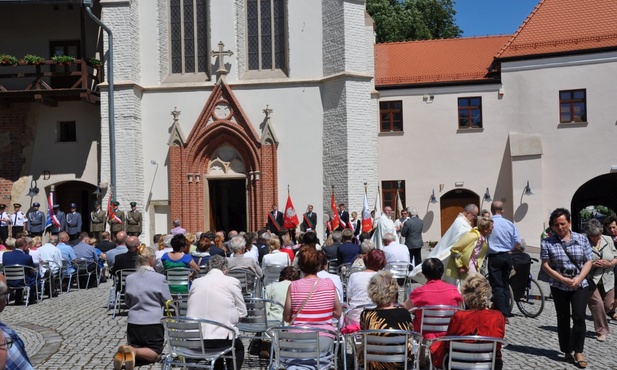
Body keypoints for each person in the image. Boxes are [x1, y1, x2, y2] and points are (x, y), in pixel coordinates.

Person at [541, 208, 592, 368]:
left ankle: (578, 350)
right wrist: (562, 279)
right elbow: (545, 265)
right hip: (559, 285)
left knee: (579, 317)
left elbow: (588, 261)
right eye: (556, 225)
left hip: (580, 284)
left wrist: (579, 278)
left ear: (569, 222)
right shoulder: (547, 242)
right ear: (553, 226)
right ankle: (566, 350)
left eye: (563, 223)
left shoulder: (582, 239)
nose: (560, 227)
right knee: (563, 318)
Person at [430, 274, 506, 370]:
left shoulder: (459, 316)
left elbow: (448, 344)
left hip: (459, 363)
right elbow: (498, 344)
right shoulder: (497, 316)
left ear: (466, 296)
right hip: (489, 364)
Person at [283, 246, 342, 369]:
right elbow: (338, 312)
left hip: (298, 337)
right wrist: (322, 313)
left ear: (301, 266)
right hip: (324, 336)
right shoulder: (329, 283)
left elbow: (287, 317)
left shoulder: (293, 286)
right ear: (319, 265)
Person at [115, 247, 172, 370]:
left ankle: (132, 351)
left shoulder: (130, 278)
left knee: (139, 350)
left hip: (133, 321)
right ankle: (132, 350)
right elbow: (167, 300)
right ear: (151, 260)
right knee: (156, 354)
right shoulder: (159, 278)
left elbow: (127, 301)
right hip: (152, 321)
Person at [186, 255, 246, 370]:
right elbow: (242, 312)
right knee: (238, 348)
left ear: (208, 269)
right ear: (225, 269)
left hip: (195, 338)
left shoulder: (196, 282)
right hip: (221, 339)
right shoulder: (232, 281)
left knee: (222, 338)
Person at [410, 204, 477, 285]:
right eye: (474, 215)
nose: (474, 218)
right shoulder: (461, 223)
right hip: (455, 258)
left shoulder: (461, 221)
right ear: (468, 213)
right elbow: (460, 242)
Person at [359, 270, 413, 369]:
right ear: (394, 293)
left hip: (373, 365)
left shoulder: (366, 315)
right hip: (400, 365)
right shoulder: (404, 314)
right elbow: (410, 335)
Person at [404, 258, 463, 339]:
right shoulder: (453, 290)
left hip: (424, 334)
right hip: (448, 333)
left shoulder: (419, 292)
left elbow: (405, 308)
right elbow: (459, 309)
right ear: (442, 272)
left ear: (424, 274)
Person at [487, 201, 522, 318]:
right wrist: (511, 248)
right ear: (502, 210)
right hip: (507, 255)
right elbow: (518, 241)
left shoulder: (489, 224)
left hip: (494, 256)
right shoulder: (509, 224)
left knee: (497, 285)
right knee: (505, 284)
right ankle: (506, 309)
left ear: (492, 210)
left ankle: (503, 313)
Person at [584, 219, 617, 341]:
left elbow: (616, 257)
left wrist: (609, 263)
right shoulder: (584, 242)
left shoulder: (608, 240)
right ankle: (601, 331)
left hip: (608, 277)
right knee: (597, 304)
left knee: (608, 305)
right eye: (592, 236)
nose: (595, 238)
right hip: (591, 278)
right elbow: (580, 261)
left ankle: (599, 314)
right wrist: (592, 264)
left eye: (597, 235)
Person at [0, 274, 35, 369]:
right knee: (35, 277)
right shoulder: (7, 337)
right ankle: (32, 298)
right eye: (7, 292)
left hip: (14, 279)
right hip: (22, 280)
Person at [446, 216, 494, 282]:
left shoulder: (483, 239)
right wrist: (460, 266)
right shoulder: (472, 236)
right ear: (485, 229)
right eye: (491, 227)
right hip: (465, 267)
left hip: (472, 266)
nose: (493, 228)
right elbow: (454, 249)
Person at [346, 249, 387, 325]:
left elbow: (350, 298)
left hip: (355, 317)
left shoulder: (354, 276)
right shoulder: (383, 278)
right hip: (375, 318)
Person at [3, 237, 39, 304]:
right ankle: (32, 298)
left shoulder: (5, 255)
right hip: (22, 281)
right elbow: (33, 268)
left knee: (23, 275)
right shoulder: (27, 257)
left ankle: (18, 299)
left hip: (8, 281)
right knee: (36, 274)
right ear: (24, 246)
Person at [604, 216, 617, 309]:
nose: (612, 230)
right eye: (609, 228)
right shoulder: (604, 238)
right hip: (609, 268)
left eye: (614, 227)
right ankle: (611, 310)